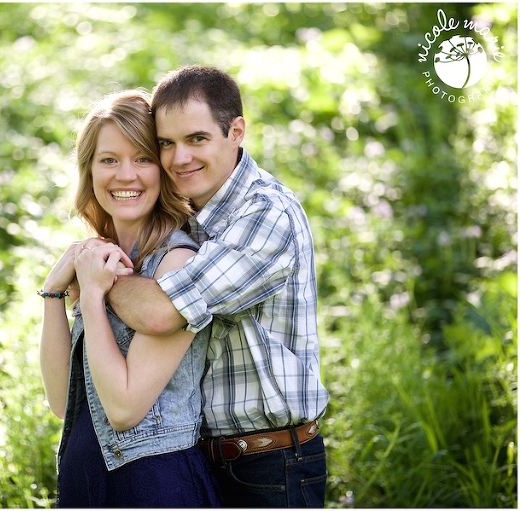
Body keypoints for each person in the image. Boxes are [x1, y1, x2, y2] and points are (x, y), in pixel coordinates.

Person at [96, 66, 330, 507]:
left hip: (274, 465)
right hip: (202, 460)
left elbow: (161, 312)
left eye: (197, 139)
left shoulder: (266, 213)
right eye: (166, 143)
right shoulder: (191, 221)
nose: (179, 158)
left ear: (236, 130)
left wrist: (98, 273)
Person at [38, 89, 221, 507]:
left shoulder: (176, 263)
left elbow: (123, 409)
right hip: (86, 478)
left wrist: (92, 296)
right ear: (89, 171)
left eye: (142, 158)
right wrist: (52, 293)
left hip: (152, 485)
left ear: (163, 171)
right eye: (109, 160)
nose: (126, 175)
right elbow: (61, 403)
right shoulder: (100, 259)